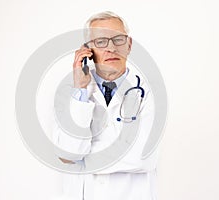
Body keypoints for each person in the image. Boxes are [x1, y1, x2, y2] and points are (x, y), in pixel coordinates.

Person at [52, 11, 159, 200]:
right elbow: (67, 152)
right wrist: (81, 93)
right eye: (101, 41)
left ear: (129, 45)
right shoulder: (70, 92)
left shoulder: (149, 92)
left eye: (118, 39)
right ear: (88, 51)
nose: (111, 48)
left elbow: (144, 157)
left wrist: (83, 158)